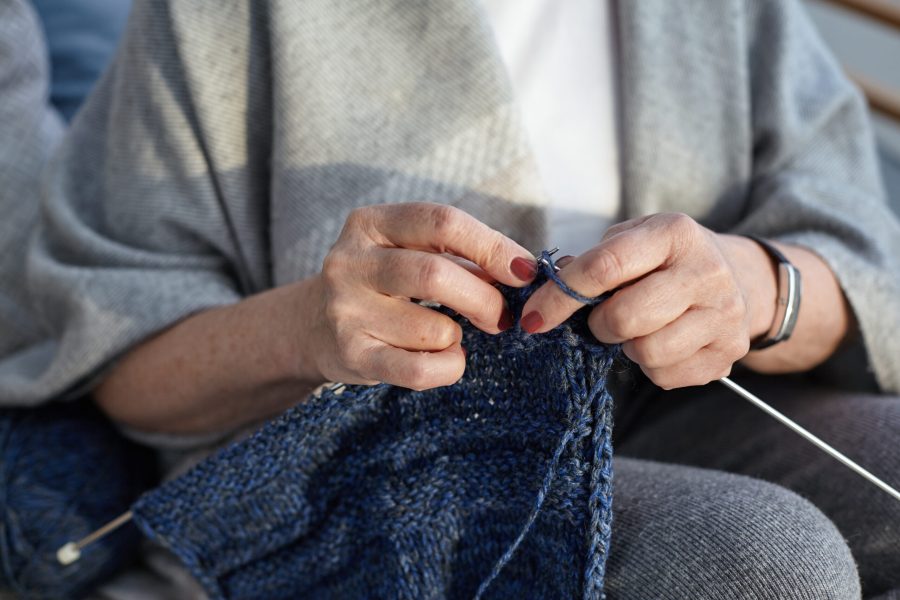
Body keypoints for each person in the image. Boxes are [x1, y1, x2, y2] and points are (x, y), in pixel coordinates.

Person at [1, 0, 898, 597]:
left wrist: (760, 288)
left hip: (676, 404)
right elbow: (112, 352)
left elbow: (856, 237)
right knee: (756, 560)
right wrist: (304, 329)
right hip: (370, 458)